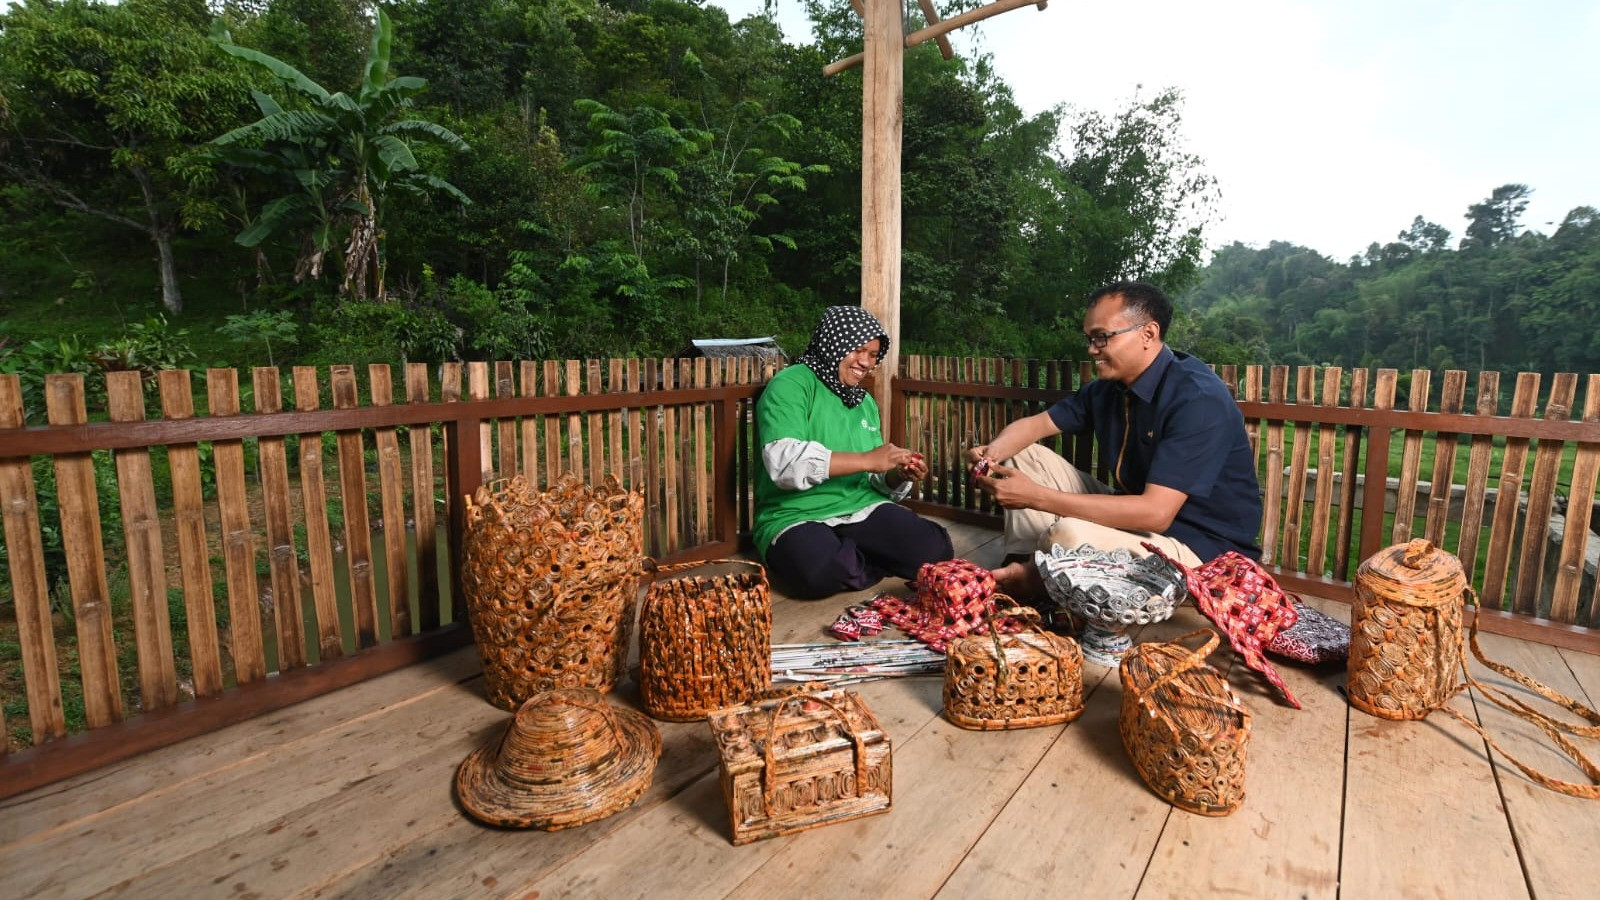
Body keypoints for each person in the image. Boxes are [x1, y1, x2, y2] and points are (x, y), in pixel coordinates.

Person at [970, 281, 1262, 597]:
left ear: (1148, 334)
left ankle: (1038, 578)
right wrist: (991, 454)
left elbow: (1156, 514)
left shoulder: (1197, 398)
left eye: (1102, 337)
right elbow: (1035, 426)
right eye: (1089, 338)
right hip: (1133, 522)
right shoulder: (1109, 388)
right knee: (1021, 455)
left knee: (1066, 536)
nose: (1091, 348)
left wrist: (1034, 496)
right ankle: (1024, 568)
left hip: (1197, 547)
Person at [754, 306, 955, 599]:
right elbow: (783, 464)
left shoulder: (863, 401)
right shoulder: (791, 384)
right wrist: (867, 459)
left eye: (873, 355)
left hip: (859, 506)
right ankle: (858, 555)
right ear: (834, 343)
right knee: (818, 572)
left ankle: (849, 555)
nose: (866, 362)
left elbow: (874, 480)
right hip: (794, 513)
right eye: (858, 350)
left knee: (936, 547)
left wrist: (897, 475)